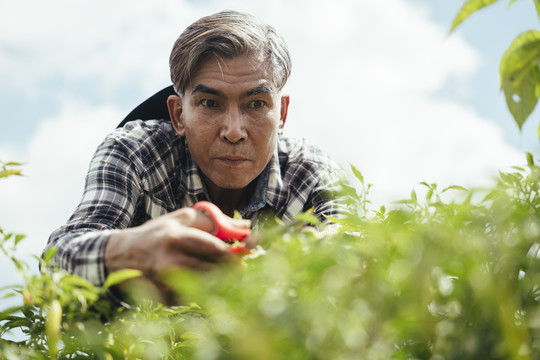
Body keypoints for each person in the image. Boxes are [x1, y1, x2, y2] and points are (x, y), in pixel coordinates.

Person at [43, 10, 345, 292]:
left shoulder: (311, 172)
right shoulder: (135, 153)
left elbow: (359, 248)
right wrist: (133, 250)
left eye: (256, 104)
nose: (234, 131)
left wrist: (321, 249)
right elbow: (59, 258)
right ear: (178, 115)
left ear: (281, 115)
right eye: (210, 103)